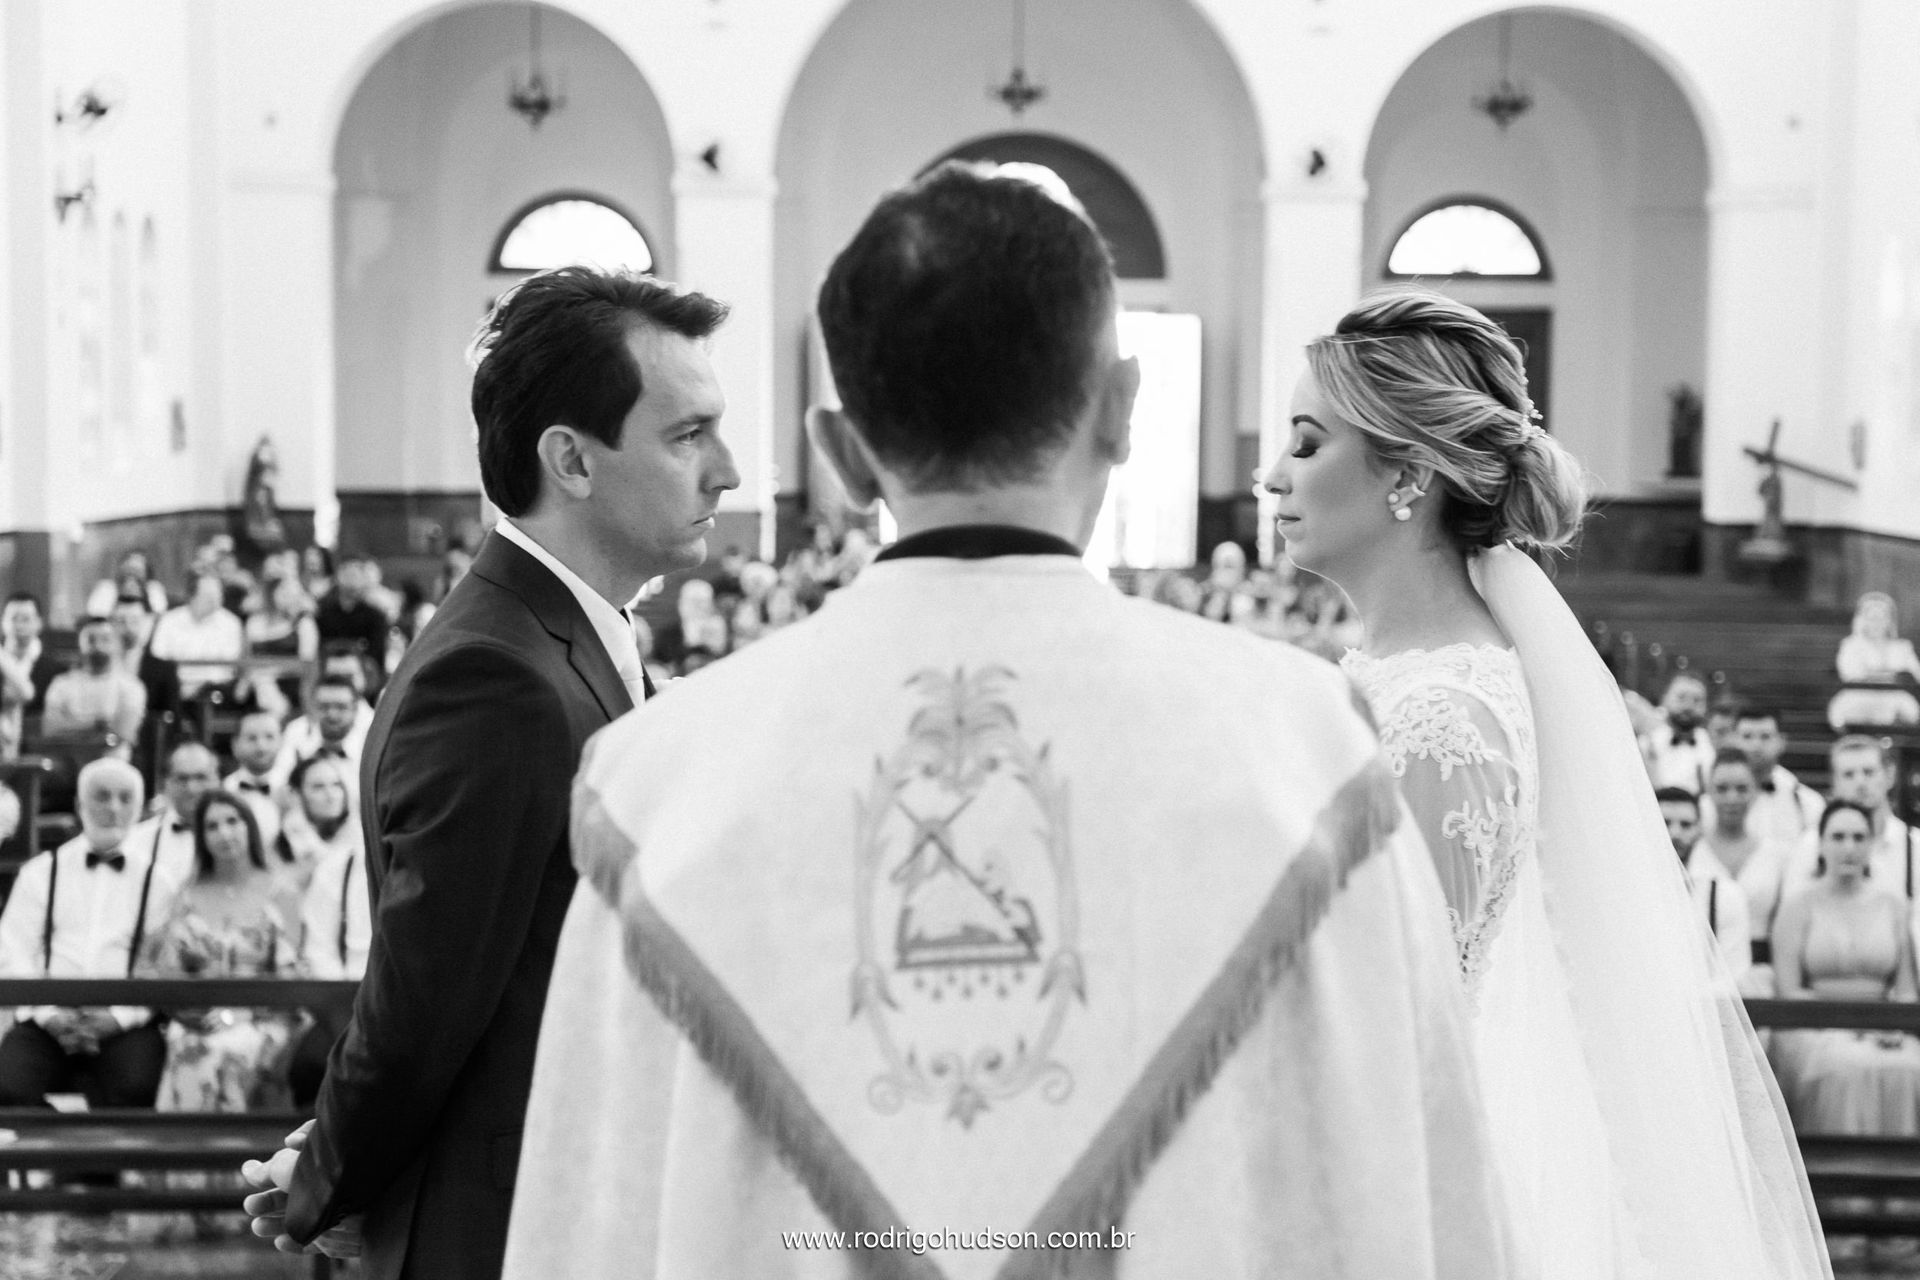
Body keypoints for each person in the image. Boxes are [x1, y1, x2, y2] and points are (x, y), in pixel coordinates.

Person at [504, 164, 1512, 1279]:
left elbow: (586, 1218)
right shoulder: (1308, 754)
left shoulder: (659, 783)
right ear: (1123, 408)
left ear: (838, 454)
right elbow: (1416, 1191)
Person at [1258, 286, 1825, 1277]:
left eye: (1307, 444)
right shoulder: (1407, 676)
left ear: (1408, 474)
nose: (1271, 477)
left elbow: (1403, 1024)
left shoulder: (1444, 719)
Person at [240, 264, 739, 1279]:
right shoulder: (494, 676)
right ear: (571, 460)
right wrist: (331, 1179)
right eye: (688, 435)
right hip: (498, 1232)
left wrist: (336, 1165)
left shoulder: (563, 641)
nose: (727, 471)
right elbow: (423, 1005)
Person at [0, 757, 180, 1108]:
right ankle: (60, 1156)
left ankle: (92, 1164)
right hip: (47, 1016)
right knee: (6, 1086)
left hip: (125, 1021)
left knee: (134, 1088)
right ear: (79, 804)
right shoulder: (40, 872)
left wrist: (117, 1018)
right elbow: (12, 949)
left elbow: (159, 964)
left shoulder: (159, 883)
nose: (113, 808)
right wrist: (49, 1014)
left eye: (125, 798)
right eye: (102, 796)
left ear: (139, 808)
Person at [141, 789, 303, 1114]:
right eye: (212, 826)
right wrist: (185, 1010)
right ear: (202, 837)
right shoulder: (186, 894)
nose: (224, 833)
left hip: (265, 1015)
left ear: (250, 827)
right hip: (198, 1016)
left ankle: (229, 1159)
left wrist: (237, 1014)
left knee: (220, 1050)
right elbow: (163, 967)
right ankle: (184, 1159)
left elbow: (293, 975)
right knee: (189, 1043)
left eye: (233, 821)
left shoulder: (280, 892)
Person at [1770, 799, 1920, 1143]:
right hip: (1813, 1025)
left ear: (1871, 844)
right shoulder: (1797, 906)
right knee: (1843, 1067)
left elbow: (1907, 989)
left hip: (1883, 1024)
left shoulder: (1893, 904)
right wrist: (1849, 1020)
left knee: (1909, 1067)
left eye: (1858, 837)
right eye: (1838, 837)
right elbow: (1789, 990)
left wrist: (1894, 1024)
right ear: (1821, 844)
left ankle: (1900, 1191)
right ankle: (1841, 1191)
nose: (1848, 847)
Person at [1697, 749, 1790, 986]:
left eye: (1741, 789)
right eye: (1722, 788)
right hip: (1702, 970)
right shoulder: (1694, 851)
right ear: (1708, 789)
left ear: (1755, 791)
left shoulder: (1776, 854)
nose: (1731, 798)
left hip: (1760, 974)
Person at [1658, 785, 1755, 985]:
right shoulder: (1623, 896)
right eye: (1664, 822)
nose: (1674, 833)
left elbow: (1735, 978)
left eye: (1686, 824)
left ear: (1700, 830)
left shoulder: (1725, 895)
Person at [127, 741, 224, 886]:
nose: (192, 788)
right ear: (167, 783)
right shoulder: (137, 841)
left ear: (217, 780)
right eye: (182, 778)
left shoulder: (237, 838)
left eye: (201, 777)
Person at [1726, 704, 1825, 845]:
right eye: (1747, 736)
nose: (1756, 745)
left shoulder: (1808, 803)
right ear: (1733, 741)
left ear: (1782, 741)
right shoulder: (1714, 801)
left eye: (1765, 736)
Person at [41, 615, 148, 744]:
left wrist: (71, 725)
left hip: (113, 760)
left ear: (117, 643)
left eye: (105, 639)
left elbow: (123, 733)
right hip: (67, 757)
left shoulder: (132, 687)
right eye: (91, 640)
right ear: (79, 642)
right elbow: (50, 729)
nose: (98, 646)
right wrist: (98, 724)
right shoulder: (61, 684)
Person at [1830, 590, 1920, 729]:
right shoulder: (1851, 645)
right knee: (1842, 715)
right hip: (1859, 694)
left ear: (1890, 620)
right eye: (1871, 618)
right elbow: (1848, 673)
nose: (1876, 623)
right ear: (1861, 620)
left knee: (1910, 712)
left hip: (1893, 695)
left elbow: (1916, 673)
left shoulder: (1902, 646)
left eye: (1882, 618)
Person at [0, 592, 63, 757]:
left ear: (39, 623)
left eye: (26, 619)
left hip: (37, 750)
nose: (19, 625)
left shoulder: (55, 669)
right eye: (14, 618)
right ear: (3, 622)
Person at [1643, 672, 1717, 794]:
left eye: (1697, 700)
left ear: (1706, 707)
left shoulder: (1713, 746)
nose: (1688, 706)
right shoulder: (1646, 744)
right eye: (1681, 697)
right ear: (1664, 699)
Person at [225, 710, 285, 851]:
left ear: (281, 741)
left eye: (269, 737)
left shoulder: (294, 789)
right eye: (252, 738)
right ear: (235, 744)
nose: (261, 747)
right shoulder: (223, 790)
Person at [84, 549, 172, 618]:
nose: (131, 575)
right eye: (128, 569)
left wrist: (143, 596)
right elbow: (96, 616)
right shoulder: (106, 588)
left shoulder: (153, 589)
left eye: (137, 571)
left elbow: (160, 617)